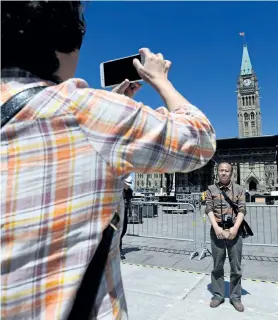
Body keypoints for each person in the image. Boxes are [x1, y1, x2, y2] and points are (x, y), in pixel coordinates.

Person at [1, 2, 216, 319]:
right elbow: (199, 139)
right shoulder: (85, 111)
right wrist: (160, 81)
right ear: (66, 42)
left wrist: (112, 108)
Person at [205, 162, 246, 312]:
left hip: (234, 231)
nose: (223, 173)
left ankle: (236, 297)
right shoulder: (211, 189)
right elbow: (208, 208)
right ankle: (218, 295)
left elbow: (242, 209)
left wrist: (235, 228)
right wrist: (216, 228)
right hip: (217, 231)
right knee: (217, 266)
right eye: (221, 170)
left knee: (236, 266)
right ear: (217, 172)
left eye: (226, 171)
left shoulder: (239, 189)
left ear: (231, 173)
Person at [120, 176, 134, 260]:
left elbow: (129, 202)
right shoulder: (118, 190)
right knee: (118, 232)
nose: (128, 185)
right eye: (127, 184)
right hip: (117, 213)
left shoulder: (130, 191)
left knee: (124, 230)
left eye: (129, 184)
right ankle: (119, 250)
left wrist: (131, 212)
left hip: (124, 213)